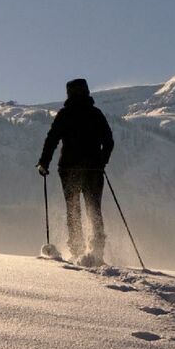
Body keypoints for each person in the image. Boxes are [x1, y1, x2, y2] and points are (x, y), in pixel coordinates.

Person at [37, 78, 114, 263]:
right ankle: (96, 252)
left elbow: (52, 140)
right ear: (87, 91)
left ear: (68, 93)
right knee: (93, 208)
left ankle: (77, 250)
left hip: (68, 169)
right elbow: (109, 141)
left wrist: (44, 163)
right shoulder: (96, 114)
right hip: (93, 170)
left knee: (73, 209)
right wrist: (102, 161)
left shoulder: (65, 114)